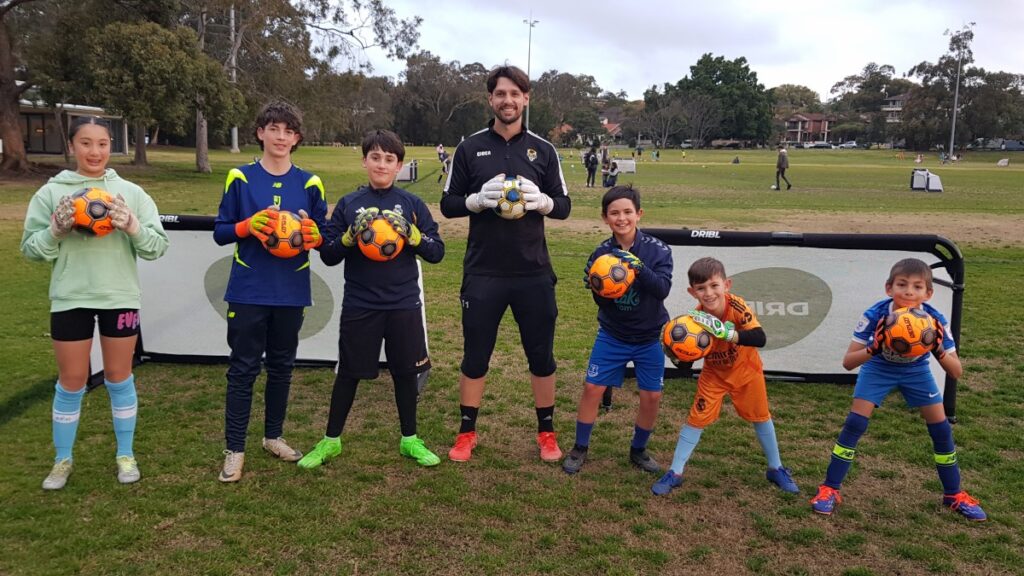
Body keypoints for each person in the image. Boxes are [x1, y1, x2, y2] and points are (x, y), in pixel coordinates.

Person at [21, 115, 169, 490]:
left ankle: (125, 454)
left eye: (102, 143)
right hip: (70, 299)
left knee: (119, 378)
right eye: (86, 143)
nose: (94, 151)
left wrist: (132, 225)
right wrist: (56, 229)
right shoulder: (52, 193)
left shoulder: (130, 193)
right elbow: (31, 250)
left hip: (118, 298)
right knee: (72, 382)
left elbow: (157, 246)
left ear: (111, 147)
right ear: (72, 146)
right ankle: (62, 460)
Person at [440, 65, 572, 463]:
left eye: (515, 94)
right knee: (475, 355)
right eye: (501, 94)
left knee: (541, 355)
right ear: (490, 100)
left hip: (533, 271)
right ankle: (467, 433)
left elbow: (564, 207)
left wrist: (545, 202)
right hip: (484, 271)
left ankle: (546, 433)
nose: (508, 100)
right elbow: (447, 206)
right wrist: (476, 200)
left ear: (526, 99)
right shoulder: (469, 148)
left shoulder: (544, 150)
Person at [298, 130, 445, 470]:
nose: (382, 164)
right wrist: (349, 238)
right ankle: (330, 441)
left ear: (399, 166)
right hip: (361, 304)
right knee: (348, 372)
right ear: (364, 161)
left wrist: (414, 235)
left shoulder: (412, 205)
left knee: (406, 373)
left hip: (403, 303)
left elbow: (437, 252)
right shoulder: (349, 204)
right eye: (375, 157)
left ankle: (410, 439)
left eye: (389, 159)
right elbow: (330, 255)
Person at [809, 259, 986, 521]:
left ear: (928, 294)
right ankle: (829, 489)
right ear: (889, 288)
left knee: (941, 430)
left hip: (917, 372)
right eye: (902, 285)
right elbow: (848, 363)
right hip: (878, 368)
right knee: (855, 424)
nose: (909, 292)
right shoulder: (875, 314)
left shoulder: (934, 320)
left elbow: (956, 371)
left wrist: (937, 348)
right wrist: (873, 348)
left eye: (917, 286)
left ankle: (954, 494)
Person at [213, 100, 328, 482]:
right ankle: (235, 449)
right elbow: (221, 231)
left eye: (289, 131)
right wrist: (248, 226)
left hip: (291, 290)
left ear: (297, 138)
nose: (281, 137)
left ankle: (273, 436)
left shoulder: (310, 183)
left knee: (281, 367)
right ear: (260, 132)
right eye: (274, 129)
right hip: (248, 289)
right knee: (243, 369)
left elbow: (323, 239)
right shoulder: (240, 178)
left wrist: (313, 236)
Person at [652, 257, 799, 496]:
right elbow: (685, 367)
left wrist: (729, 335)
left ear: (726, 285)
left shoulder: (737, 306)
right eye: (701, 288)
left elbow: (760, 338)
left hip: (747, 371)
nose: (708, 293)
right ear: (692, 292)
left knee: (761, 417)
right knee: (696, 419)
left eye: (714, 285)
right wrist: (677, 354)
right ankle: (675, 472)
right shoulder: (693, 321)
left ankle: (776, 468)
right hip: (715, 375)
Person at [562, 185, 672, 475]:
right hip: (613, 335)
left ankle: (638, 449)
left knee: (652, 396)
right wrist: (598, 287)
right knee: (592, 388)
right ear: (605, 218)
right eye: (614, 213)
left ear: (638, 214)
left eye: (627, 212)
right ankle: (580, 447)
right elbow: (601, 302)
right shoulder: (601, 254)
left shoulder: (657, 249)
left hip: (649, 337)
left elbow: (662, 290)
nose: (621, 218)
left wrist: (638, 268)